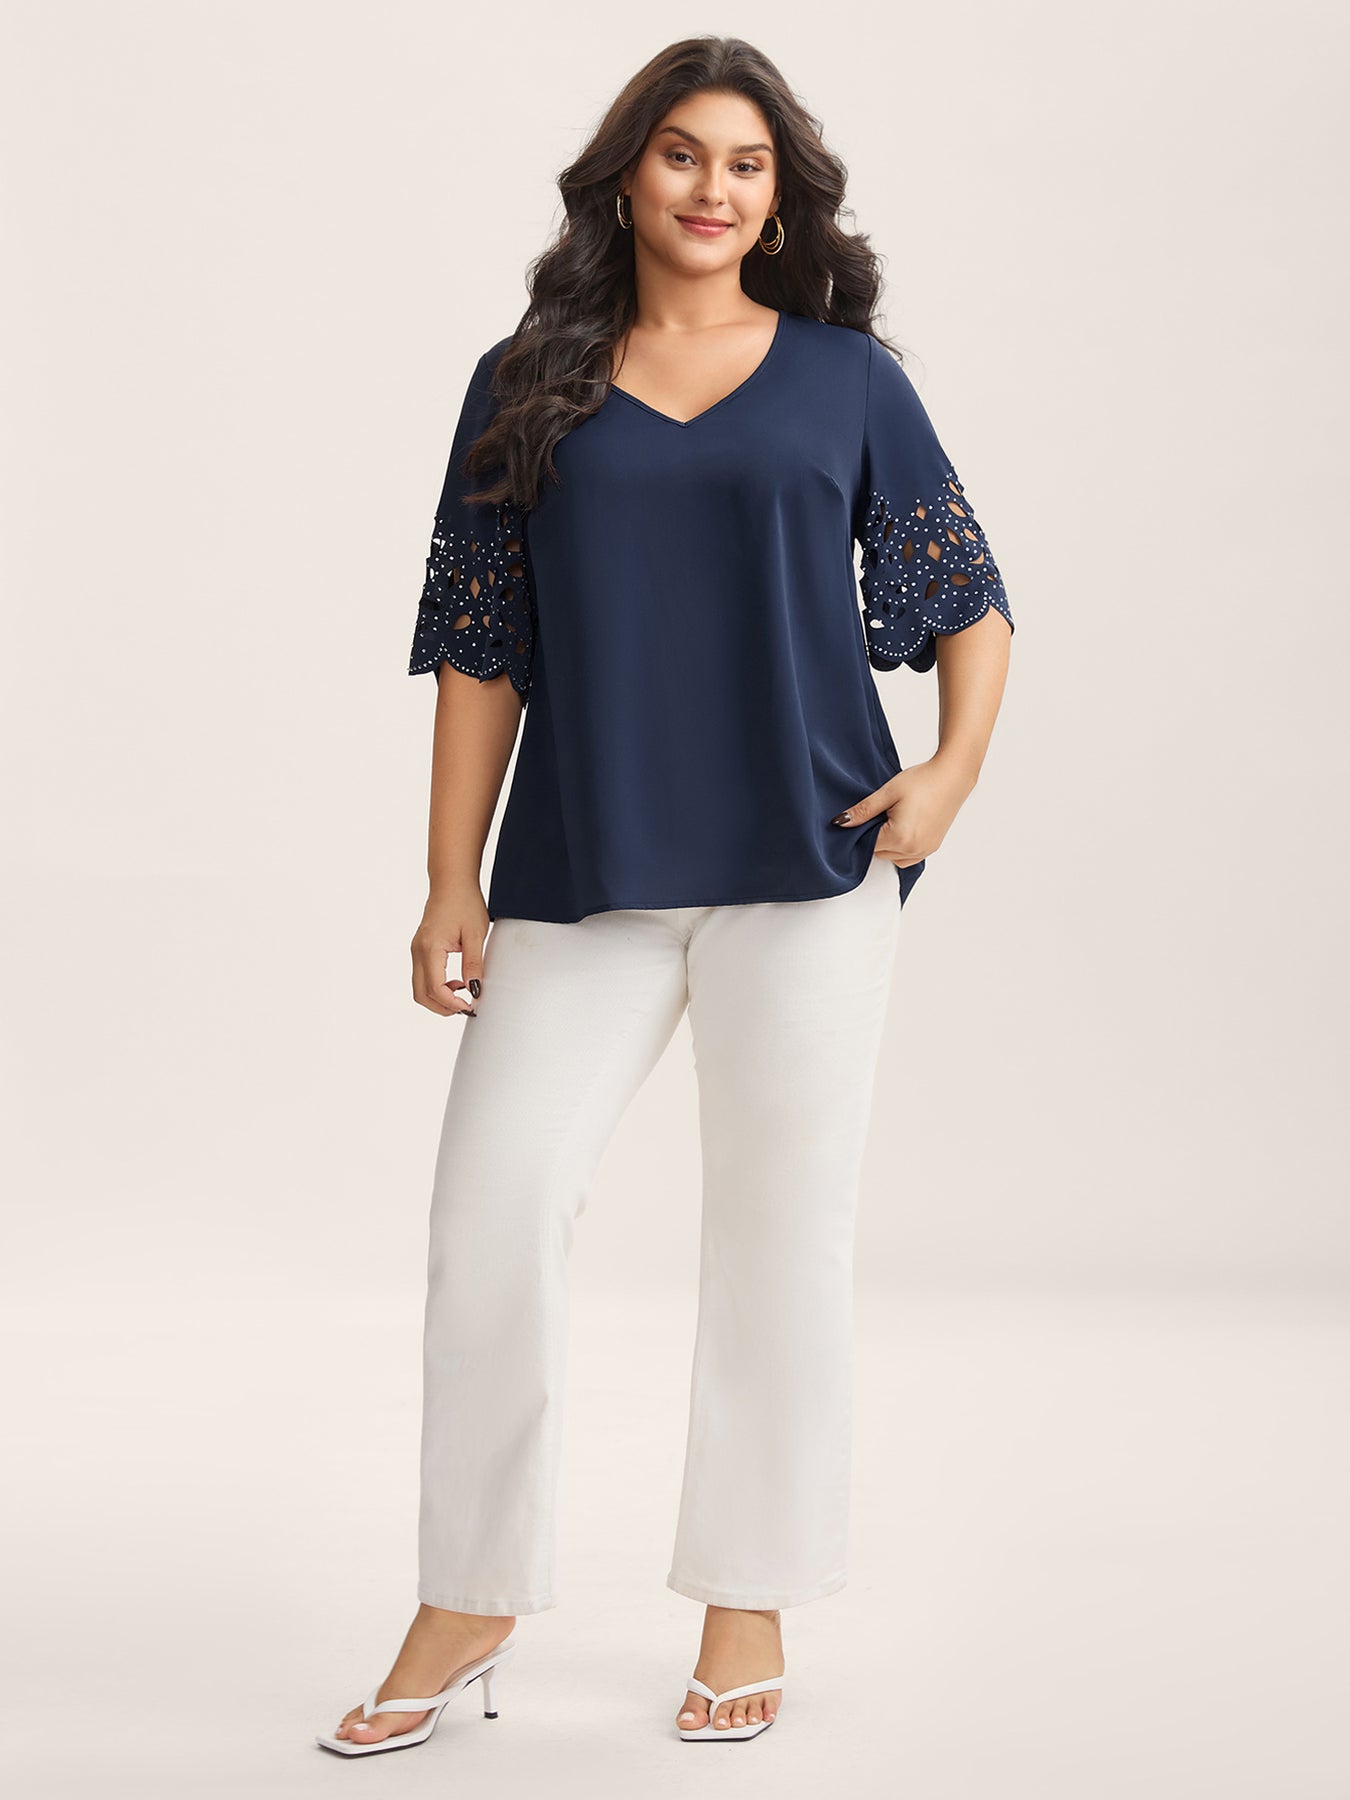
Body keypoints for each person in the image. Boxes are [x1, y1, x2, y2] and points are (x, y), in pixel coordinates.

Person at [317, 35, 1014, 1757]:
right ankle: (470, 1595)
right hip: (586, 871)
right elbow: (478, 643)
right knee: (491, 1215)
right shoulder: (522, 382)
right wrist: (446, 877)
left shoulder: (847, 380)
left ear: (781, 199)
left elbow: (966, 603)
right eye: (684, 154)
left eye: (746, 164)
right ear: (625, 175)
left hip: (810, 866)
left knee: (780, 1230)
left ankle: (747, 1594)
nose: (714, 187)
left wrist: (945, 775)